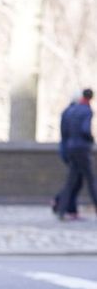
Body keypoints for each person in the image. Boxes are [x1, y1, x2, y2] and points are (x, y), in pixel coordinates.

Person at [56, 88, 97, 220]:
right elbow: (85, 129)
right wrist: (91, 139)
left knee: (70, 181)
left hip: (71, 148)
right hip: (82, 149)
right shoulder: (87, 110)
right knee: (91, 180)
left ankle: (61, 210)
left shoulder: (72, 110)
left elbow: (66, 130)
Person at [52, 98, 83, 218]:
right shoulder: (74, 113)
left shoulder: (67, 112)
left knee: (75, 180)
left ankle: (64, 204)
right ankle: (65, 206)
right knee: (74, 181)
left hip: (67, 150)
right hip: (73, 151)